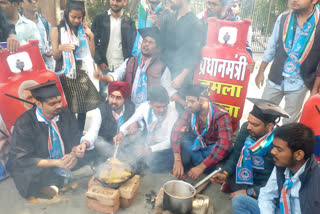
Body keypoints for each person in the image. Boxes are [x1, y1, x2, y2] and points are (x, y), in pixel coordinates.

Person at [9, 81, 89, 199]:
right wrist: (56, 162)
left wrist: (74, 153)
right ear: (39, 104)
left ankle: (60, 181)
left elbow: (75, 137)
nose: (58, 106)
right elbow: (22, 158)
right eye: (52, 104)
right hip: (42, 166)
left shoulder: (65, 113)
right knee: (25, 174)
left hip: (66, 159)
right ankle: (55, 183)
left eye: (59, 101)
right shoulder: (24, 123)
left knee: (92, 147)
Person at [209, 98, 289, 213]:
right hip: (245, 175)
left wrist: (249, 192)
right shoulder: (246, 129)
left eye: (255, 124)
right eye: (249, 122)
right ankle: (234, 185)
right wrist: (225, 173)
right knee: (221, 164)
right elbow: (236, 154)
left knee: (268, 196)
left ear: (269, 126)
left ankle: (246, 192)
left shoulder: (280, 142)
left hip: (263, 183)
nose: (248, 127)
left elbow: (277, 183)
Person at [255, 0, 320, 124]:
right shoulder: (284, 18)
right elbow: (272, 46)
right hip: (276, 78)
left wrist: (314, 91)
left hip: (300, 83)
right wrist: (261, 71)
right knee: (261, 117)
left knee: (289, 125)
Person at [233, 123, 320, 214]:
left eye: (279, 149)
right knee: (240, 200)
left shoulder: (316, 178)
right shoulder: (281, 166)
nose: (272, 151)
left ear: (298, 155)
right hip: (283, 210)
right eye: (274, 146)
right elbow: (267, 195)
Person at [95, 27, 185, 107]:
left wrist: (185, 104)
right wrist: (103, 77)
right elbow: (116, 76)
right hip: (129, 107)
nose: (146, 44)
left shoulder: (162, 67)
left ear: (157, 48)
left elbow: (169, 90)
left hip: (149, 109)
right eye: (145, 41)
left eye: (151, 42)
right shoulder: (130, 61)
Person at [51, 0, 101, 133]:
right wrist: (61, 48)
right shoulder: (57, 30)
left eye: (79, 17)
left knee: (84, 106)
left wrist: (91, 37)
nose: (76, 20)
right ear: (67, 14)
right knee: (69, 108)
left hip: (80, 72)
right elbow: (55, 56)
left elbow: (91, 54)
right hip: (64, 73)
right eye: (73, 17)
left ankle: (79, 133)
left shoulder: (83, 30)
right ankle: (70, 134)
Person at [171, 84, 233, 180]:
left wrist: (201, 167)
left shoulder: (221, 114)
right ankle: (207, 166)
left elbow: (224, 144)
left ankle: (201, 164)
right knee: (183, 138)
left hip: (211, 146)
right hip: (197, 142)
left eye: (191, 101)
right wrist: (177, 160)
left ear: (203, 101)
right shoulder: (189, 110)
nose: (188, 104)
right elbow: (176, 131)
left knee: (223, 149)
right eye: (187, 101)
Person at [114, 85, 178, 173]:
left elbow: (170, 142)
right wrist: (121, 133)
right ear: (150, 103)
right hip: (147, 142)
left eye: (164, 106)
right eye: (158, 107)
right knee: (128, 153)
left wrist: (149, 150)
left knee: (152, 165)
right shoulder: (144, 107)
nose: (162, 110)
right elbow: (129, 122)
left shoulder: (173, 113)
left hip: (162, 148)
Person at [160, 0, 204, 111]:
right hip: (168, 69)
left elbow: (195, 53)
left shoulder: (195, 23)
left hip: (184, 76)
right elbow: (164, 44)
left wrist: (182, 76)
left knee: (184, 111)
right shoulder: (170, 18)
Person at [91, 0, 136, 99]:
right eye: (112, 0)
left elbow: (132, 46)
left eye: (118, 1)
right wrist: (99, 62)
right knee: (104, 97)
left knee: (122, 98)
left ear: (125, 2)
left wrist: (128, 66)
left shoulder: (130, 22)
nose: (114, 3)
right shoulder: (100, 19)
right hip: (105, 67)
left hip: (123, 68)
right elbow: (92, 42)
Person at [80, 81, 135, 159]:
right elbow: (92, 131)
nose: (113, 101)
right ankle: (123, 160)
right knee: (98, 141)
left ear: (125, 99)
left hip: (125, 144)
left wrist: (135, 124)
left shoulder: (131, 107)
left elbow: (138, 126)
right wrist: (84, 143)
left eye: (118, 98)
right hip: (107, 145)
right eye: (111, 96)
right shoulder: (100, 111)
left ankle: (124, 159)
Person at [21, 0, 55, 71]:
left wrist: (52, 50)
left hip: (48, 69)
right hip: (29, 71)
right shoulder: (18, 26)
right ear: (21, 4)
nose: (34, 2)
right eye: (29, 1)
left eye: (36, 0)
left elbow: (51, 44)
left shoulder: (44, 23)